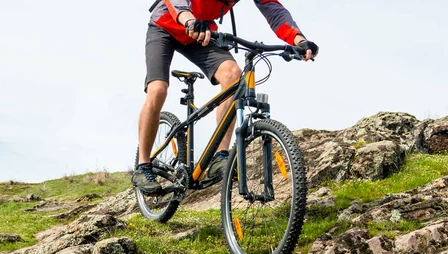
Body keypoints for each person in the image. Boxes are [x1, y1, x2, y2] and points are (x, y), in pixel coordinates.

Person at [132, 0, 319, 193]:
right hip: (166, 25)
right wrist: (189, 20)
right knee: (158, 90)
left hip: (200, 33)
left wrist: (298, 39)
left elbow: (273, 9)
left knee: (233, 75)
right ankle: (142, 166)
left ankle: (220, 156)